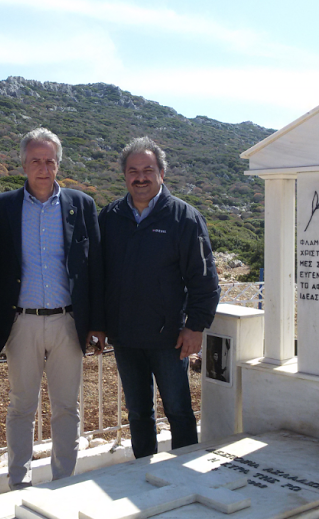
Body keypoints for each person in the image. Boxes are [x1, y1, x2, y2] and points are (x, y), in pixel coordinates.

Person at [0, 127, 105, 489]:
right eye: (36, 160)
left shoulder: (81, 204)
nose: (43, 167)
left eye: (50, 161)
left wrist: (97, 322)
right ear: (23, 164)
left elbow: (95, 267)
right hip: (21, 322)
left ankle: (62, 483)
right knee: (21, 406)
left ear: (58, 164)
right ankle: (18, 484)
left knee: (67, 407)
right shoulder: (0, 206)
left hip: (68, 321)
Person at [99, 136, 220, 458]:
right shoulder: (110, 217)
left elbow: (205, 279)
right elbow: (98, 276)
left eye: (148, 170)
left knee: (179, 411)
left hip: (170, 338)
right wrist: (99, 323)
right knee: (138, 413)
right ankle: (144, 471)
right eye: (133, 171)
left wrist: (195, 327)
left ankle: (184, 475)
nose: (140, 177)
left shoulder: (184, 218)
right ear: (124, 175)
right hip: (125, 336)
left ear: (161, 174)